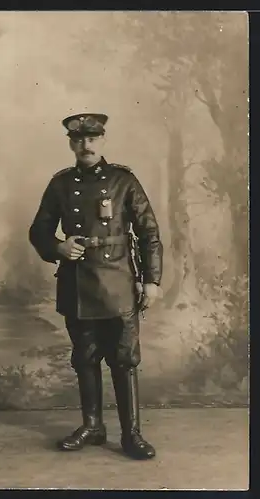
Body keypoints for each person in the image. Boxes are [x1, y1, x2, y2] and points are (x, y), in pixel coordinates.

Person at [29, 113, 163, 460]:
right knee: (85, 358)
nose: (85, 145)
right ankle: (92, 426)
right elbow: (38, 231)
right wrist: (57, 247)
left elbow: (149, 232)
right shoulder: (60, 184)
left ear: (102, 141)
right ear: (71, 143)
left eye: (92, 139)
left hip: (118, 282)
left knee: (123, 359)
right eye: (78, 140)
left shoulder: (123, 180)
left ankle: (131, 435)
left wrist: (152, 281)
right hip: (77, 283)